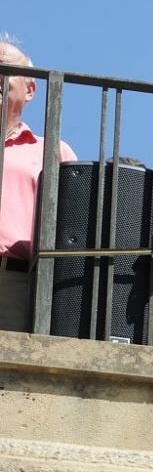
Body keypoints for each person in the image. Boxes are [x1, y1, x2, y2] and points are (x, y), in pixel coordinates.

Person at [0, 36, 77, 332]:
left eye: (3, 68)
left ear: (30, 88)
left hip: (16, 282)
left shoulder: (52, 151)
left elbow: (73, 225)